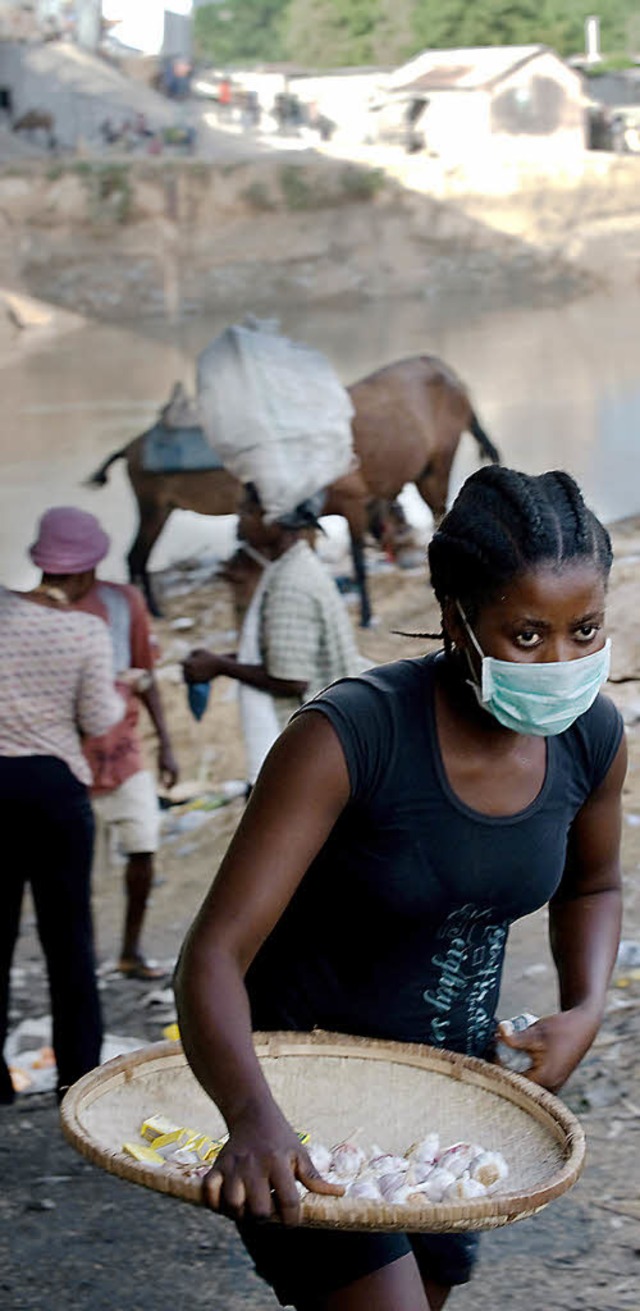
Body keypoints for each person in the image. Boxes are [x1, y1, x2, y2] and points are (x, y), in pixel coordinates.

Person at [174, 466, 626, 1310]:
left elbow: (595, 885)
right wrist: (252, 1116)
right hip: (299, 1101)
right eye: (527, 635)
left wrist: (585, 1006)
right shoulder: (348, 738)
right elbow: (213, 954)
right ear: (458, 621)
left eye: (584, 629)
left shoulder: (591, 735)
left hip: (450, 1105)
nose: (562, 661)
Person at [0, 512, 124, 1104]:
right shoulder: (85, 633)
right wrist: (126, 689)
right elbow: (99, 720)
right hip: (52, 792)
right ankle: (76, 1079)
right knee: (69, 939)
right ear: (89, 572)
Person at [31, 507, 179, 981]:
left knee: (142, 844)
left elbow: (146, 674)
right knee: (73, 871)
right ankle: (79, 960)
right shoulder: (28, 613)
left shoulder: (122, 603)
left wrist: (167, 745)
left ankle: (130, 951)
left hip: (121, 751)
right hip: (61, 762)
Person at [182, 484, 366, 787]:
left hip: (298, 751)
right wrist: (217, 661)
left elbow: (292, 679)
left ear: (274, 520)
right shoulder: (286, 568)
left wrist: (221, 666)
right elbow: (281, 655)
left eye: (247, 510)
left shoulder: (290, 584)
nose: (239, 518)